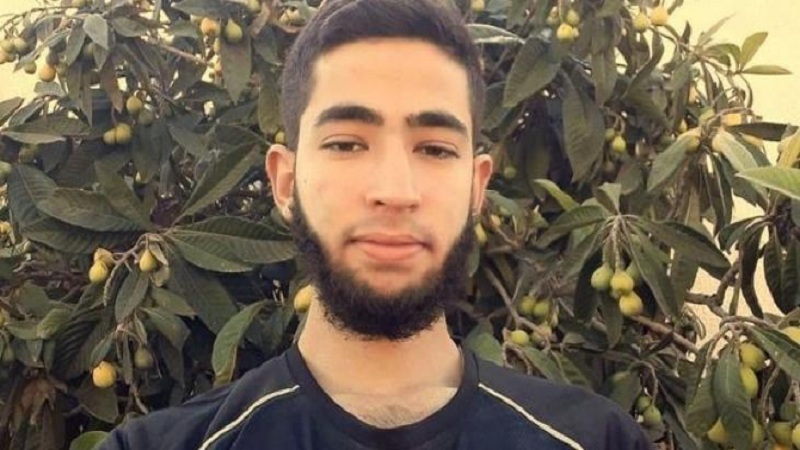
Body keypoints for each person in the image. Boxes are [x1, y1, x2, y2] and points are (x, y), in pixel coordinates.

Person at [100, 0, 652, 448]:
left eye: (435, 149)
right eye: (346, 143)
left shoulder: (597, 440)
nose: (394, 191)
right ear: (285, 183)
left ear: (476, 188)